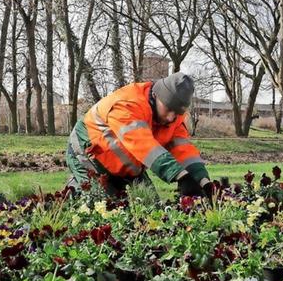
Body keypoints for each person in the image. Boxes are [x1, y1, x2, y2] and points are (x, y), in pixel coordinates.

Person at [66, 72, 212, 197]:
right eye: (168, 109)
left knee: (151, 209)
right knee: (102, 209)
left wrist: (203, 181)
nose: (170, 118)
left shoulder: (174, 118)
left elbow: (183, 150)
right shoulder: (129, 104)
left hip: (128, 166)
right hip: (91, 155)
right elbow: (144, 146)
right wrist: (180, 176)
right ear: (156, 95)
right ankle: (71, 195)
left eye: (177, 112)